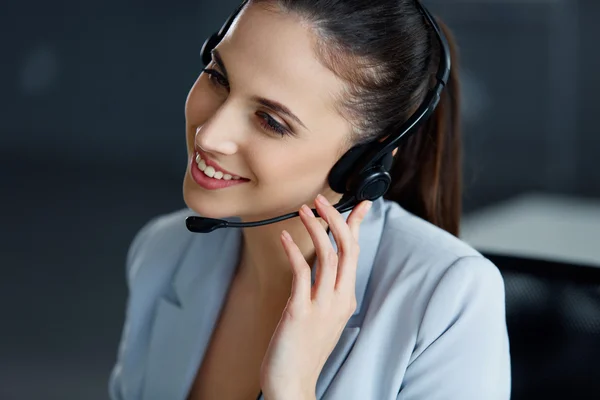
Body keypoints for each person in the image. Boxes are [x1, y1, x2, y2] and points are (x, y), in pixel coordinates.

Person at [109, 0, 511, 399]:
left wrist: (293, 389)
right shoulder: (164, 251)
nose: (209, 136)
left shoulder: (448, 302)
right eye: (218, 77)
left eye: (270, 121)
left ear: (365, 158)